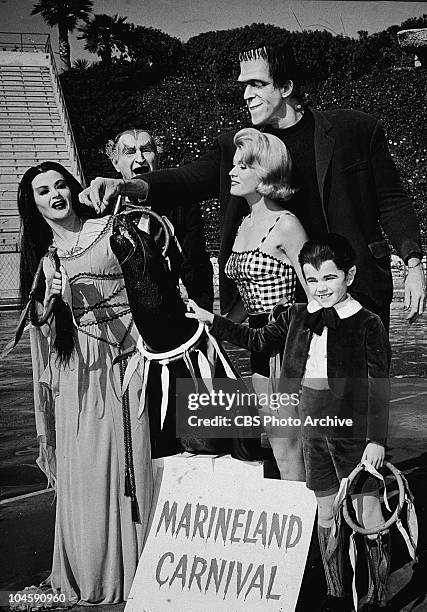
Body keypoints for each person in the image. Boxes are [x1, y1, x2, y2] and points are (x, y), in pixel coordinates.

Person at [79, 43, 425, 330]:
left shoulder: (355, 130)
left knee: (357, 405)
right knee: (289, 410)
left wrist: (413, 265)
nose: (245, 95)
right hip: (281, 311)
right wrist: (127, 185)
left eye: (257, 84)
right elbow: (187, 178)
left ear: (286, 87)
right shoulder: (239, 146)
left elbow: (392, 200)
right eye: (243, 86)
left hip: (352, 287)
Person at [186, 233, 391, 612]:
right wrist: (212, 320)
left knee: (368, 514)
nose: (320, 288)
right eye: (311, 280)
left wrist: (376, 440)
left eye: (329, 278)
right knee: (326, 511)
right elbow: (258, 339)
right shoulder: (297, 315)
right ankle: (336, 594)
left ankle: (377, 597)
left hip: (353, 433)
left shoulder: (368, 322)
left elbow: (379, 388)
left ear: (350, 275)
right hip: (313, 431)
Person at [18, 161, 154, 605]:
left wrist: (146, 352)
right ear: (33, 204)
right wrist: (50, 296)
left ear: (73, 189)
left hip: (128, 360)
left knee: (132, 466)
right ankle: (94, 574)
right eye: (43, 191)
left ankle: (143, 572)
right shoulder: (42, 258)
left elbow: (151, 287)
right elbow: (37, 322)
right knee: (89, 473)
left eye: (60, 184)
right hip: (78, 371)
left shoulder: (110, 229)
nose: (55, 194)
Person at [224, 126, 309, 479]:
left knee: (290, 449)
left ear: (267, 173)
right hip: (258, 346)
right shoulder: (244, 224)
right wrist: (214, 326)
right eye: (234, 165)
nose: (232, 172)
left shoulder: (286, 225)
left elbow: (314, 292)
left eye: (243, 166)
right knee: (277, 444)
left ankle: (314, 529)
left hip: (287, 345)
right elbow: (246, 295)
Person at [106, 127, 214, 310]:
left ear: (158, 157)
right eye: (130, 152)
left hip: (163, 309)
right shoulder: (104, 206)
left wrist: (202, 314)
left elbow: (195, 267)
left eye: (146, 150)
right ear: (116, 163)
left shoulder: (181, 205)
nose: (140, 158)